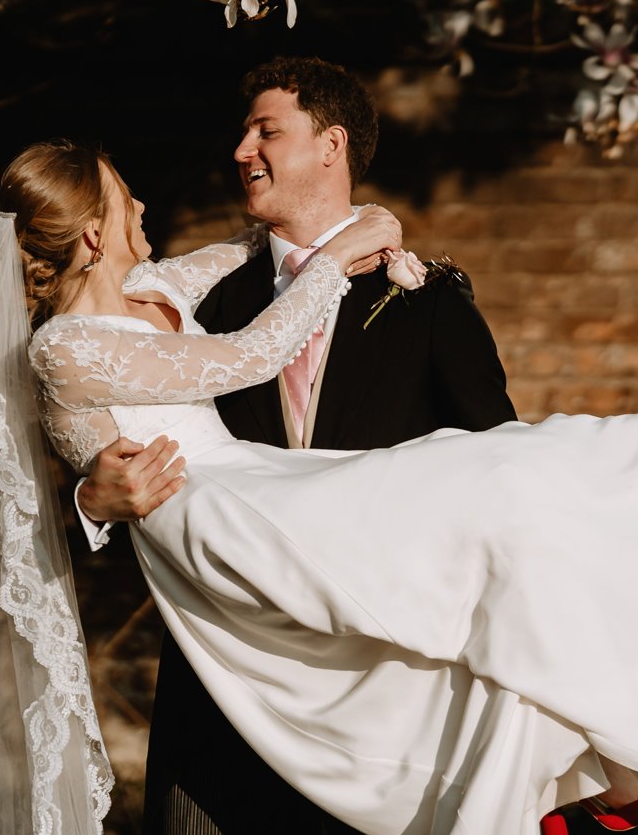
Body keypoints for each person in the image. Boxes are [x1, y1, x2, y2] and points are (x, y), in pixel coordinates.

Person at [0, 145, 638, 835]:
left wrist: (365, 229)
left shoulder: (159, 288)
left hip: (270, 491)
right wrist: (93, 494)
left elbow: (284, 240)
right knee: (496, 497)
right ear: (90, 233)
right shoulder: (67, 348)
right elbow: (247, 357)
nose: (146, 205)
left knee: (519, 486)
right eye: (126, 199)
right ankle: (613, 769)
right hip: (223, 520)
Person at [73, 59, 516, 835]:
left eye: (266, 130)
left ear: (330, 145)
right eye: (244, 131)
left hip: (375, 697)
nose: (242, 148)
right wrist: (89, 499)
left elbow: (498, 474)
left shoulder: (429, 302)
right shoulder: (193, 304)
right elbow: (87, 423)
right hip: (216, 687)